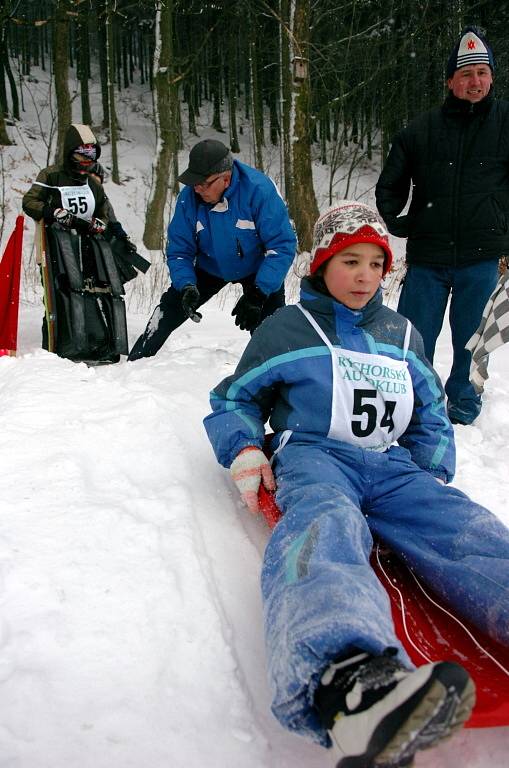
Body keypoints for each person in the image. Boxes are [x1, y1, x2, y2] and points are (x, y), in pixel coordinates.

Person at [203, 201, 509, 767]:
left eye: (375, 262)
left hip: (390, 465)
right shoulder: (288, 328)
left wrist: (430, 472)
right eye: (350, 261)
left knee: (466, 528)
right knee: (324, 525)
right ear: (321, 265)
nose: (365, 275)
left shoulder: (402, 333)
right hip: (315, 456)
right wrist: (245, 446)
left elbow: (431, 409)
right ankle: (349, 680)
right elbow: (236, 396)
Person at [375, 26, 507, 425]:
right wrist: (403, 222)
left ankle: (464, 404)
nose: (475, 81)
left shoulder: (505, 123)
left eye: (482, 72)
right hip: (428, 256)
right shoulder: (421, 130)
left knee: (472, 339)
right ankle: (412, 401)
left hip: (481, 256)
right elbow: (390, 187)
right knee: (412, 337)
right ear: (450, 81)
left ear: (492, 78)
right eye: (466, 74)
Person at [128, 139, 297, 361]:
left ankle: (278, 379)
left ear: (225, 178)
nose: (197, 188)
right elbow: (180, 250)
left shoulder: (259, 191)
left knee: (271, 334)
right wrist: (186, 284)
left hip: (258, 268)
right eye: (193, 182)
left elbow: (281, 246)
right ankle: (134, 364)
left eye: (203, 183)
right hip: (210, 265)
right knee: (168, 311)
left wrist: (259, 293)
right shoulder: (189, 198)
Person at [22, 124, 135, 362]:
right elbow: (30, 202)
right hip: (56, 246)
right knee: (59, 292)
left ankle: (94, 341)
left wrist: (100, 224)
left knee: (93, 290)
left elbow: (104, 212)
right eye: (81, 154)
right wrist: (53, 212)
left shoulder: (92, 183)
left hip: (89, 245)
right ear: (70, 152)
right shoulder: (51, 175)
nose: (86, 161)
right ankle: (56, 344)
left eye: (91, 155)